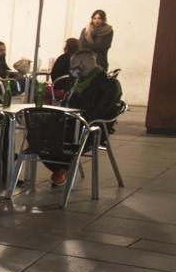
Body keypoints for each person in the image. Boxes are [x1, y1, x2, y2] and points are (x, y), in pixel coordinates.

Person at [39, 50, 122, 187]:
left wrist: (74, 116)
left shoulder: (109, 84)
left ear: (85, 64)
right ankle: (60, 167)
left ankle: (63, 167)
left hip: (91, 128)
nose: (71, 67)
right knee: (36, 130)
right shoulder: (76, 80)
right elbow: (67, 102)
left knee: (54, 136)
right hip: (69, 122)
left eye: (74, 64)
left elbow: (99, 112)